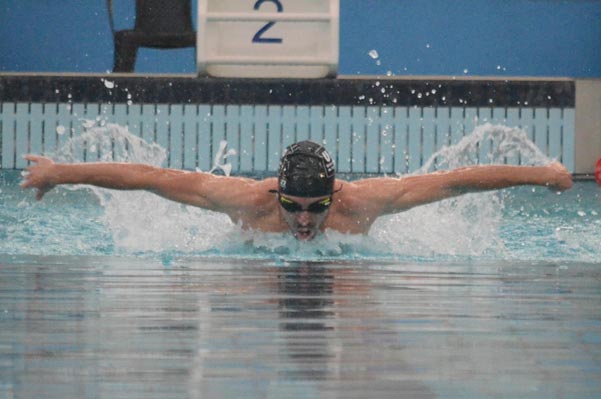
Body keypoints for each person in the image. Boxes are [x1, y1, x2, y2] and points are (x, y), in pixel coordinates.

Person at [21, 140, 573, 241]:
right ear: (276, 195)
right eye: (294, 207)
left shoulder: (361, 204)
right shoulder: (247, 202)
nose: (304, 222)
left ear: (335, 194)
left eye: (316, 208)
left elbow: (456, 183)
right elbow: (150, 179)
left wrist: (543, 174)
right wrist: (61, 172)